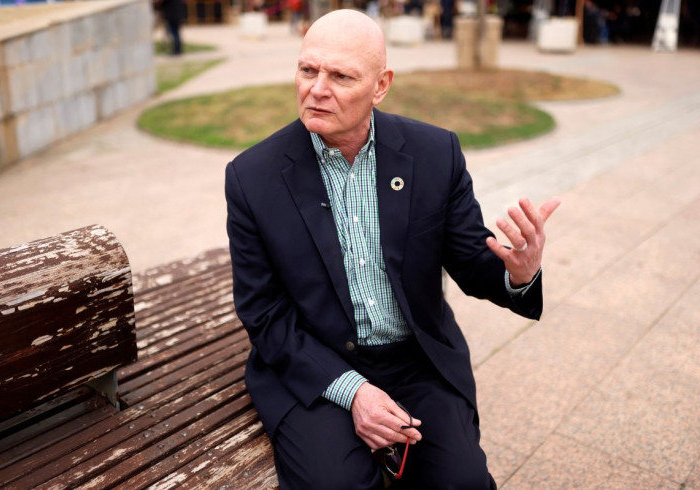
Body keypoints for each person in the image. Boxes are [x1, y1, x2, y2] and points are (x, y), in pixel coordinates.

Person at [225, 9, 559, 489]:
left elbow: (470, 259)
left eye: (341, 75)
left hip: (415, 358)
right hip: (316, 365)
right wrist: (355, 393)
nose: (317, 88)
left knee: (463, 483)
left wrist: (519, 273)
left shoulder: (433, 153)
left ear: (381, 85)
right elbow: (265, 313)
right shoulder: (252, 177)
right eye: (308, 69)